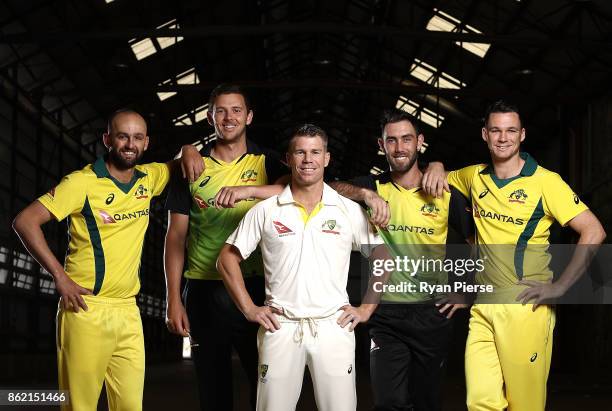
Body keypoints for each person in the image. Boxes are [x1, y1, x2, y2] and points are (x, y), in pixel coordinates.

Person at [12, 109, 202, 411]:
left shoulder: (148, 178)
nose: (130, 144)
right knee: (80, 405)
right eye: (122, 136)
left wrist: (190, 148)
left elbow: (180, 161)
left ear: (146, 142)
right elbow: (25, 221)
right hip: (87, 309)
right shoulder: (81, 183)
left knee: (130, 406)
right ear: (107, 139)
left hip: (128, 311)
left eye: (137, 137)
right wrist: (60, 278)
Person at [422, 100, 606, 411]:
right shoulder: (473, 176)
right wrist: (437, 164)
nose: (503, 137)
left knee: (525, 406)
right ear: (485, 134)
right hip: (483, 308)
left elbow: (594, 231)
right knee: (480, 402)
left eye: (510, 131)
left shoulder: (547, 182)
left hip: (525, 307)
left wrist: (560, 287)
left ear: (522, 135)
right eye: (496, 130)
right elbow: (436, 177)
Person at [217, 124, 384, 411]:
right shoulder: (266, 210)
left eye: (315, 152)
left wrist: (366, 308)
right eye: (301, 152)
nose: (308, 160)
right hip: (280, 327)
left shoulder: (347, 210)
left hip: (333, 326)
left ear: (327, 158)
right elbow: (226, 259)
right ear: (288, 158)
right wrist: (249, 308)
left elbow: (383, 257)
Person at [330, 108, 474, 411]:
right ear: (381, 146)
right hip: (386, 314)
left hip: (433, 313)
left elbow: (481, 242)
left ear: (420, 142)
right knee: (389, 401)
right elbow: (326, 187)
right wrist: (364, 196)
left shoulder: (445, 192)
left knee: (427, 401)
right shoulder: (373, 187)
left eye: (407, 139)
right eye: (391, 141)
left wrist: (466, 290)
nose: (399, 148)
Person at [164, 84, 287, 410]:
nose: (229, 117)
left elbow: (304, 189)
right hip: (204, 290)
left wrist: (250, 191)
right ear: (210, 117)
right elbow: (176, 237)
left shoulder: (269, 162)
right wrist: (173, 298)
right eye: (221, 110)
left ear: (249, 116)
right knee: (213, 388)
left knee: (267, 383)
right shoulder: (190, 168)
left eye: (236, 110)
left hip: (257, 287)